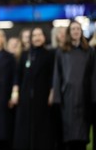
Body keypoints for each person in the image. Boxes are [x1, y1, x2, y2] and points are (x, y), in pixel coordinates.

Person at [52, 20, 95, 150]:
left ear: (81, 32)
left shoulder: (89, 51)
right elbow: (57, 75)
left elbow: (93, 74)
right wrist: (57, 97)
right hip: (67, 96)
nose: (76, 31)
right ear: (69, 33)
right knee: (68, 134)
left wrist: (94, 96)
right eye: (73, 29)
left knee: (82, 135)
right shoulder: (62, 52)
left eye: (78, 29)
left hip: (84, 96)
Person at [12, 27, 57, 150]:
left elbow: (53, 75)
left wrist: (52, 92)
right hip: (25, 97)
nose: (37, 38)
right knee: (25, 128)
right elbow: (18, 75)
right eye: (34, 35)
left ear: (44, 37)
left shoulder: (50, 54)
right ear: (31, 39)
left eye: (39, 35)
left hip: (43, 96)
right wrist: (15, 92)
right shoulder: (25, 54)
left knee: (42, 127)